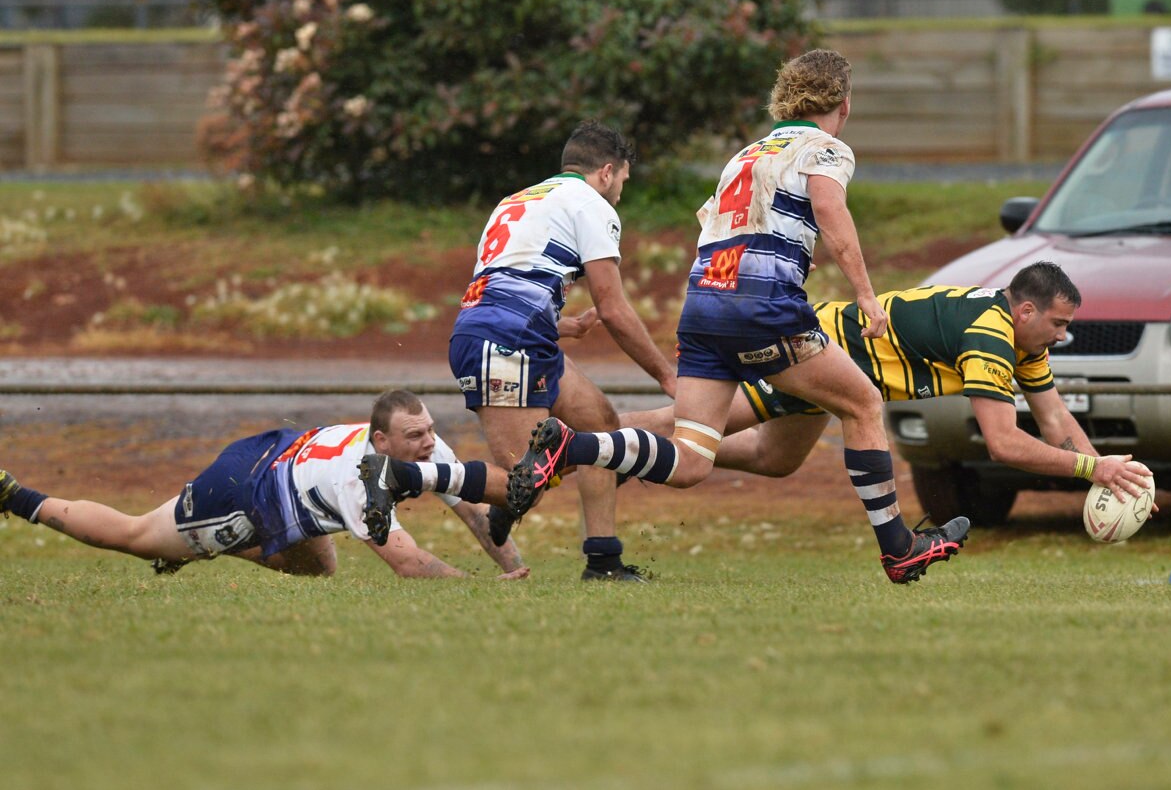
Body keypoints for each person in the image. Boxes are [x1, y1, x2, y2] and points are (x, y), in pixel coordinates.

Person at [510, 48, 970, 585]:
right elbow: (829, 208)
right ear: (844, 104)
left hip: (704, 305)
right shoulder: (827, 148)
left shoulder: (744, 154)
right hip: (763, 306)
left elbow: (710, 219)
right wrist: (865, 294)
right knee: (863, 402)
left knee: (692, 460)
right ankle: (899, 547)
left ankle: (573, 444)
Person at [620, 262, 1154, 504]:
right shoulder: (990, 334)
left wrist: (1107, 475)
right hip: (818, 350)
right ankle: (604, 438)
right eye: (1059, 324)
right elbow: (1004, 442)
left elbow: (1054, 418)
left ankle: (623, 443)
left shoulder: (1024, 342)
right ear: (1028, 310)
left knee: (773, 458)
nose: (1063, 336)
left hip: (837, 356)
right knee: (697, 432)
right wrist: (1090, 466)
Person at [448, 119, 676, 582]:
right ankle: (404, 476)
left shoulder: (517, 200)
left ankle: (603, 562)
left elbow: (506, 279)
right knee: (522, 480)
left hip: (512, 332)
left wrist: (560, 324)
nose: (619, 194)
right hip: (506, 341)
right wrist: (667, 375)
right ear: (607, 172)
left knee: (600, 425)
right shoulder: (591, 204)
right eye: (623, 183)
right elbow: (612, 308)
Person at [0, 390, 529, 580]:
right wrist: (479, 589)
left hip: (284, 466)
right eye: (415, 436)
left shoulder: (424, 445)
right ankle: (16, 496)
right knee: (137, 536)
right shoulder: (359, 483)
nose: (429, 443)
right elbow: (410, 563)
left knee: (322, 567)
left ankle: (223, 547)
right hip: (242, 486)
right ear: (381, 442)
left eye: (430, 431)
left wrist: (515, 568)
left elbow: (474, 509)